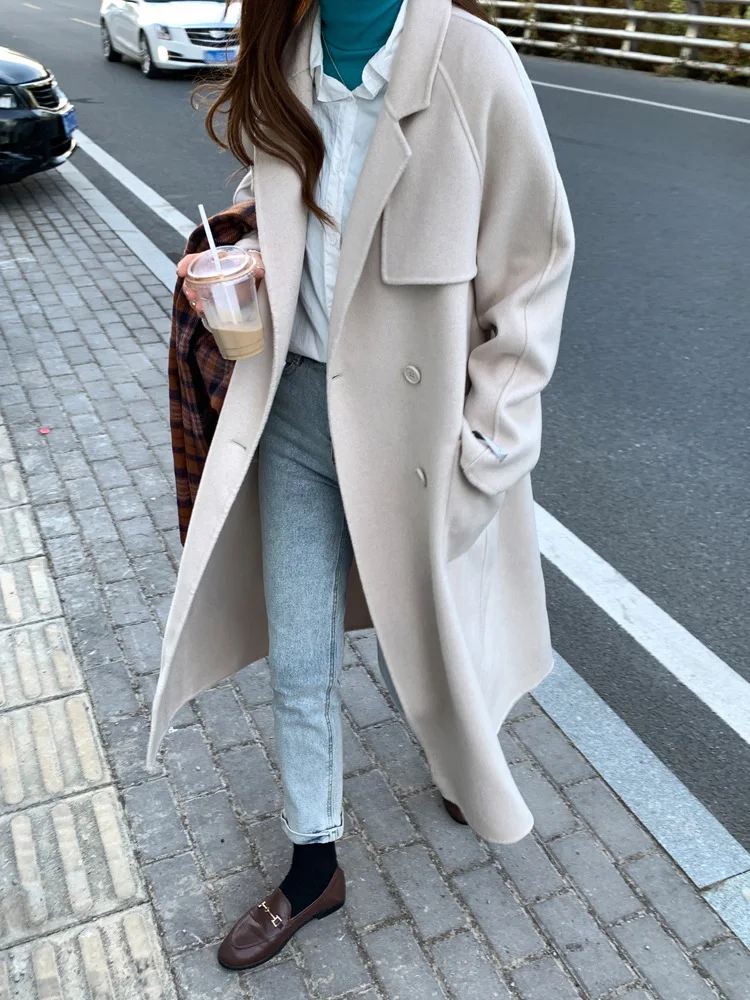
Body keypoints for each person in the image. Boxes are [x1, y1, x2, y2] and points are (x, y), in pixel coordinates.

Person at [151, 0, 574, 972]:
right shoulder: (284, 55)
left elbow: (535, 262)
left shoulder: (473, 63)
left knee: (431, 642)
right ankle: (313, 865)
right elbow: (273, 204)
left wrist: (490, 443)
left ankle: (461, 759)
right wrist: (239, 260)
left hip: (414, 435)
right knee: (300, 660)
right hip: (293, 416)